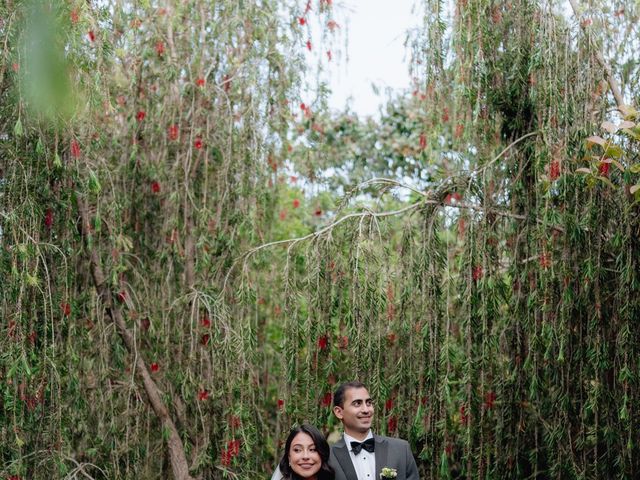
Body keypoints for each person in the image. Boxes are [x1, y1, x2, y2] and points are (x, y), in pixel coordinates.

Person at [272, 381, 419, 480]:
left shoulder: (401, 449)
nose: (366, 409)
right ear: (339, 412)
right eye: (357, 404)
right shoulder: (325, 457)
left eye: (369, 403)